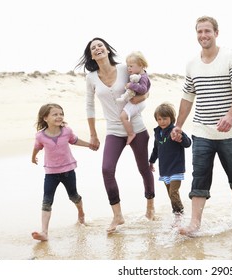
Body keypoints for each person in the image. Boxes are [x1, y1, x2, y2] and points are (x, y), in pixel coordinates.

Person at [171, 16, 232, 236]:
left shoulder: (230, 58)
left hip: (229, 132)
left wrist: (230, 114)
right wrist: (178, 125)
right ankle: (195, 223)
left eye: (207, 31)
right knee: (200, 176)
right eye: (199, 32)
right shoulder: (192, 64)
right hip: (202, 131)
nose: (203, 35)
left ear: (216, 32)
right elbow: (188, 96)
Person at [75, 37, 155, 233]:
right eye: (93, 48)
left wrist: (141, 99)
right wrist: (93, 134)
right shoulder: (91, 77)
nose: (97, 48)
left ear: (107, 50)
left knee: (144, 168)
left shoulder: (123, 69)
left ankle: (150, 207)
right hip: (113, 130)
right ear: (91, 55)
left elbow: (144, 88)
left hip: (136, 127)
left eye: (100, 45)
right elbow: (89, 105)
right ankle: (118, 215)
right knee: (107, 169)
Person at [31, 103, 93, 241]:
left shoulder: (66, 131)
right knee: (46, 201)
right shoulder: (40, 136)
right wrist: (32, 157)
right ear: (45, 118)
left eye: (61, 114)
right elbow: (37, 147)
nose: (59, 116)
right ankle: (44, 232)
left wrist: (89, 145)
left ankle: (81, 213)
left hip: (68, 171)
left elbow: (75, 140)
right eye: (55, 114)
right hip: (50, 173)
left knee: (74, 196)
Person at [149, 102, 191, 223]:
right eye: (159, 119)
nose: (162, 121)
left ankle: (179, 213)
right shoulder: (158, 133)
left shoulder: (175, 130)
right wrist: (151, 161)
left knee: (173, 192)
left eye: (165, 118)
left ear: (171, 118)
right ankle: (177, 212)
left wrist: (181, 136)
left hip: (176, 167)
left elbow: (188, 143)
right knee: (170, 193)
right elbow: (156, 149)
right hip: (165, 169)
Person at [116, 51, 150, 145]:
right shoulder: (139, 75)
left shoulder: (143, 77)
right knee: (130, 116)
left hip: (138, 102)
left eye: (131, 66)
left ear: (141, 65)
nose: (129, 68)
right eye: (128, 66)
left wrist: (131, 85)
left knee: (123, 117)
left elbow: (143, 89)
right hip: (138, 101)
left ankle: (131, 134)